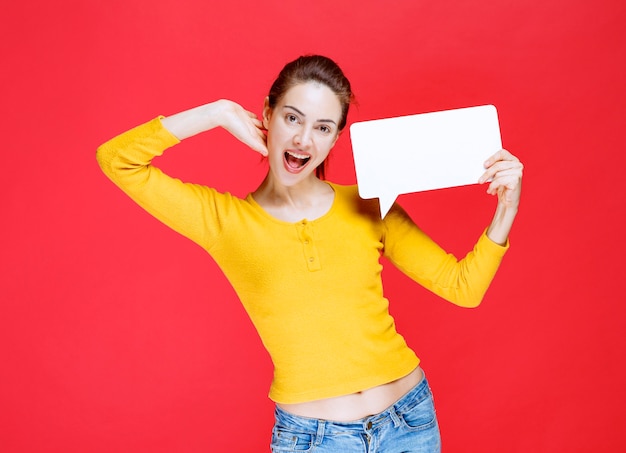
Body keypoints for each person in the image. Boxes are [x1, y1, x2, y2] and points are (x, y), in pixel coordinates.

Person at [97, 55, 523, 453]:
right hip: (313, 440)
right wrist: (216, 113)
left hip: (409, 422)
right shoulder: (223, 221)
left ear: (336, 136)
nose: (303, 139)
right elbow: (117, 160)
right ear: (267, 114)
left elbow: (462, 288)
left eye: (322, 127)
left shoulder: (370, 203)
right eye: (292, 117)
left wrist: (506, 208)